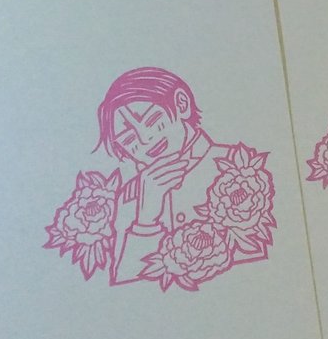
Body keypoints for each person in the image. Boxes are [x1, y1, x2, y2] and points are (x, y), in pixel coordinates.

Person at [45, 67, 275, 290]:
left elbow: (262, 270)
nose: (145, 139)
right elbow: (127, 287)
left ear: (181, 104)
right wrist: (146, 219)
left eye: (151, 119)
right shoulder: (128, 197)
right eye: (128, 139)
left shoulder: (238, 168)